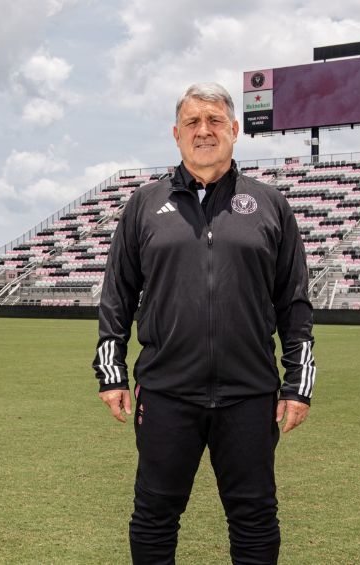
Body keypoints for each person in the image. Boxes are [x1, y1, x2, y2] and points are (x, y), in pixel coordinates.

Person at [93, 82, 317, 564]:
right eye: (193, 122)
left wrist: (298, 384)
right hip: (167, 391)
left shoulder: (271, 205)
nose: (204, 131)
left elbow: (294, 303)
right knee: (154, 514)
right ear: (176, 134)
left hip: (250, 393)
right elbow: (117, 295)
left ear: (235, 130)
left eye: (215, 121)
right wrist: (111, 373)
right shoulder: (144, 205)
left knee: (255, 516)